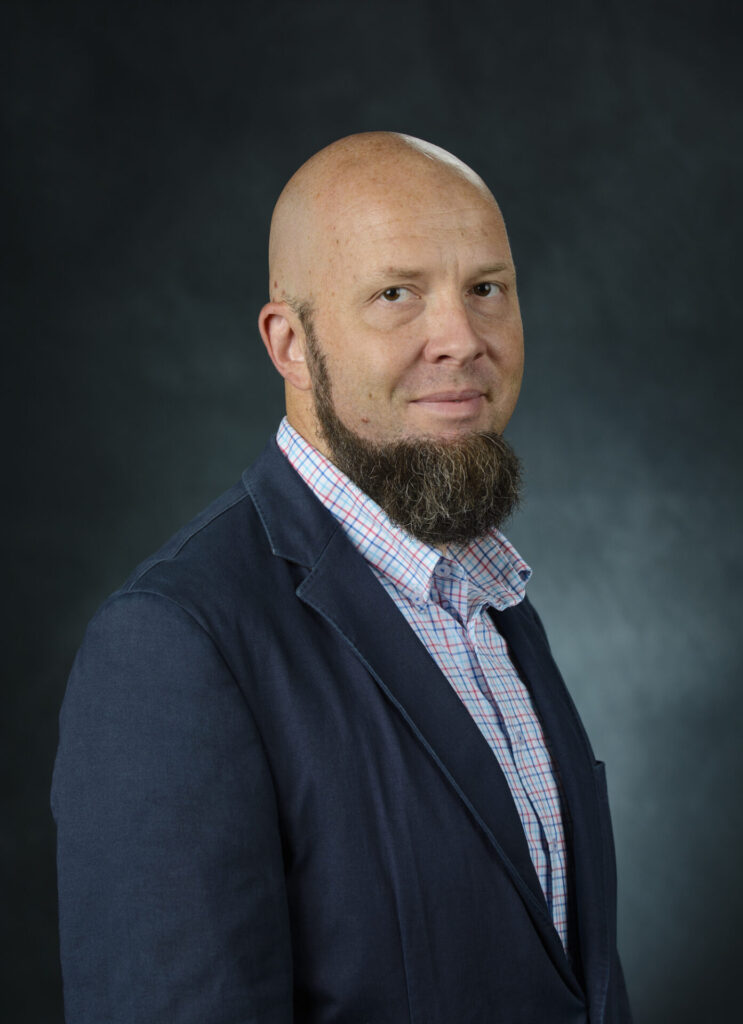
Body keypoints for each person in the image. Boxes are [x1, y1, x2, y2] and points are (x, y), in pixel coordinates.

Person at [52, 132, 633, 1023]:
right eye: (396, 294)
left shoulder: (489, 598)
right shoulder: (169, 645)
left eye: (486, 289)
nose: (461, 339)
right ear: (290, 343)